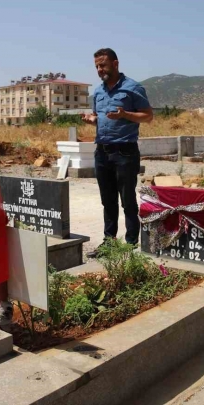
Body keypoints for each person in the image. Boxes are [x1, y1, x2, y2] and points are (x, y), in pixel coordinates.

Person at [83, 48, 153, 255]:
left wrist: (126, 114)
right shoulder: (98, 92)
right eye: (96, 66)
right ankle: (109, 242)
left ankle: (131, 244)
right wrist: (92, 120)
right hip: (102, 151)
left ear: (115, 63)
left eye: (103, 65)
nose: (99, 69)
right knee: (108, 200)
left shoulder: (132, 88)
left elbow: (148, 116)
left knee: (127, 199)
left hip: (125, 151)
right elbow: (99, 117)